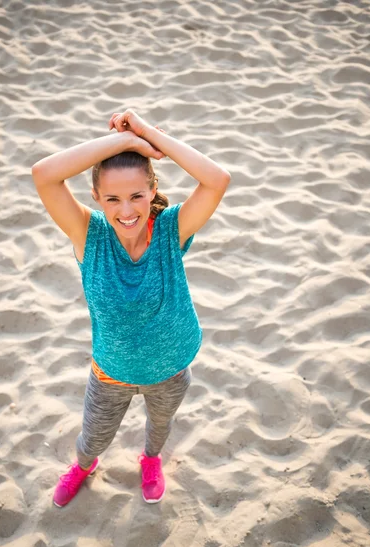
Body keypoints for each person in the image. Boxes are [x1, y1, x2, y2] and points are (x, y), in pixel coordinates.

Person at [31, 108, 231, 507]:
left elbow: (217, 180)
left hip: (171, 367)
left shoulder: (172, 229)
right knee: (93, 439)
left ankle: (151, 460)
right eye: (113, 198)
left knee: (160, 426)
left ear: (153, 190)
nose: (127, 210)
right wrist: (123, 141)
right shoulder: (87, 233)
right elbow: (43, 174)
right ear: (96, 198)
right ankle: (83, 467)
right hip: (112, 373)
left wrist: (147, 134)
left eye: (137, 195)